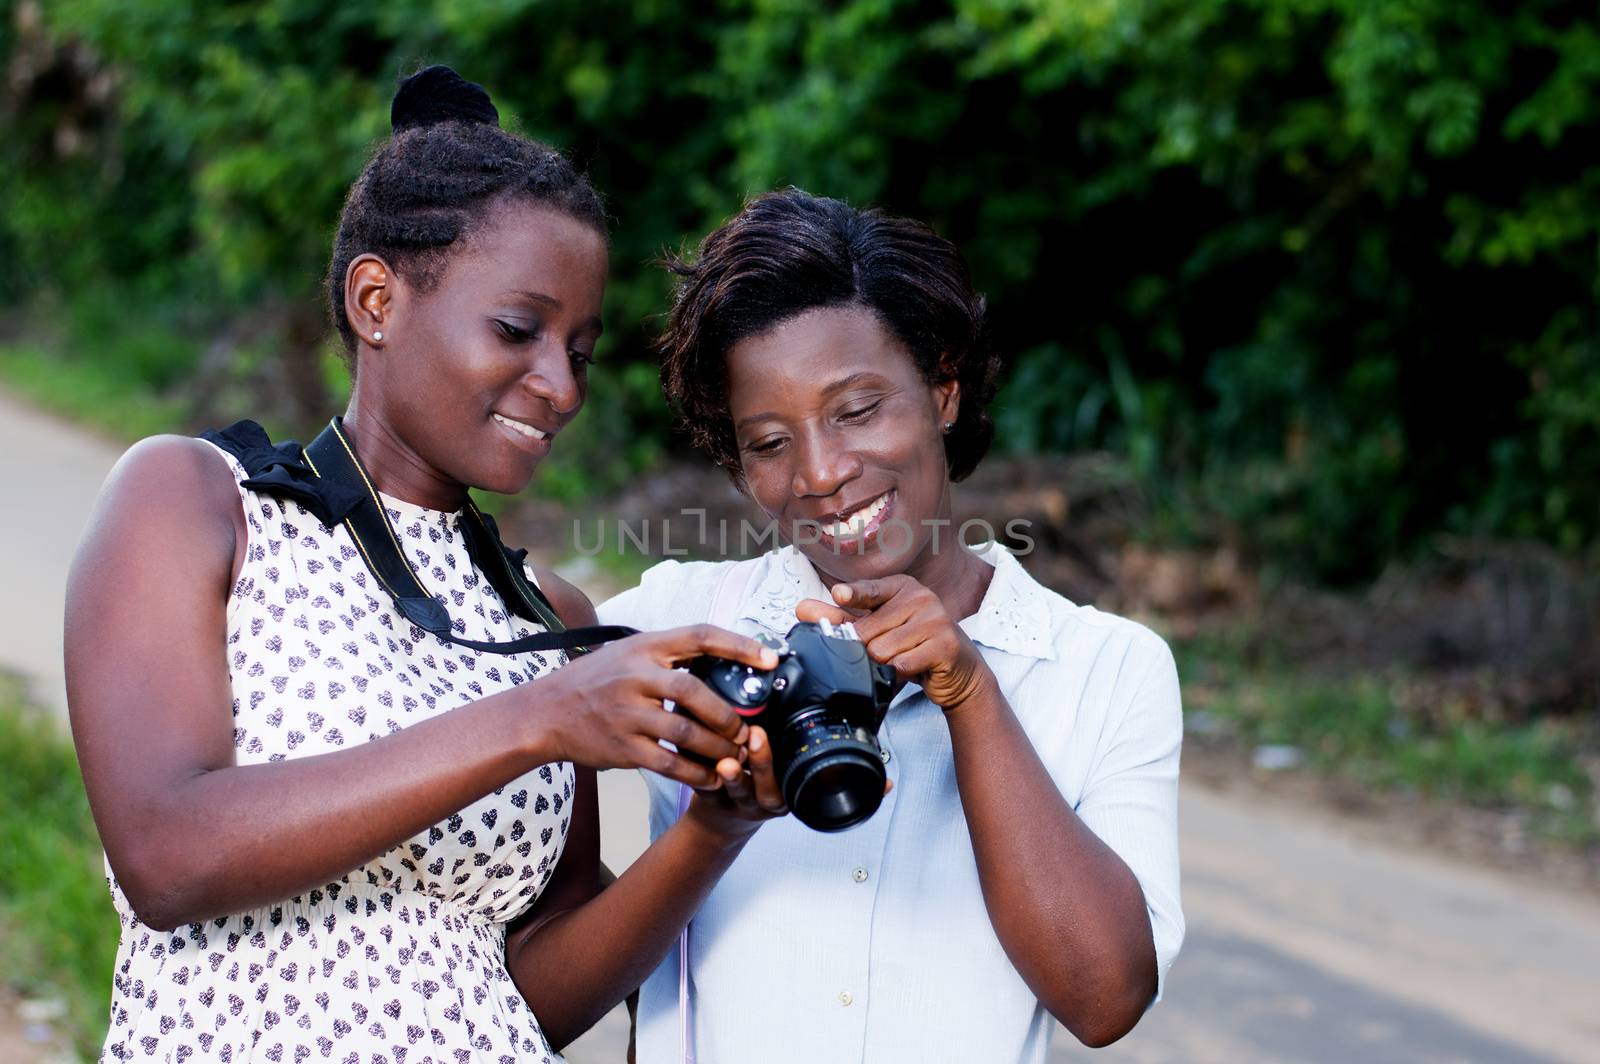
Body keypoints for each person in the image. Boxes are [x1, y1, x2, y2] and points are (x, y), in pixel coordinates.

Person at [64, 66, 782, 1064]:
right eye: (518, 330)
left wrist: (713, 829)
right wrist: (537, 719)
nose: (560, 383)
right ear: (375, 300)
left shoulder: (546, 617)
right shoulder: (199, 500)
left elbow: (533, 989)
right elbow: (165, 852)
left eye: (581, 347)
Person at [597, 188, 1185, 1063]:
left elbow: (1103, 999)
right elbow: (475, 707)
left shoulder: (1103, 667)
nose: (823, 472)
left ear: (944, 390)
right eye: (769, 443)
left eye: (858, 409)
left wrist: (969, 690)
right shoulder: (685, 623)